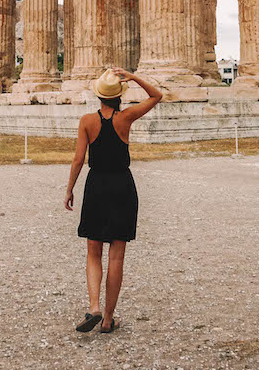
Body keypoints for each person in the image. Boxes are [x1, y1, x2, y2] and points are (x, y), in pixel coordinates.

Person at [64, 67, 162, 335]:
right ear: (119, 95)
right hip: (122, 186)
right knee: (116, 256)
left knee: (93, 251)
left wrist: (70, 189)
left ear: (98, 96)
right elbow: (156, 96)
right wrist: (133, 78)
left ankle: (94, 307)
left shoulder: (87, 121)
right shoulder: (126, 117)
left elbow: (78, 159)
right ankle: (108, 319)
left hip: (96, 185)